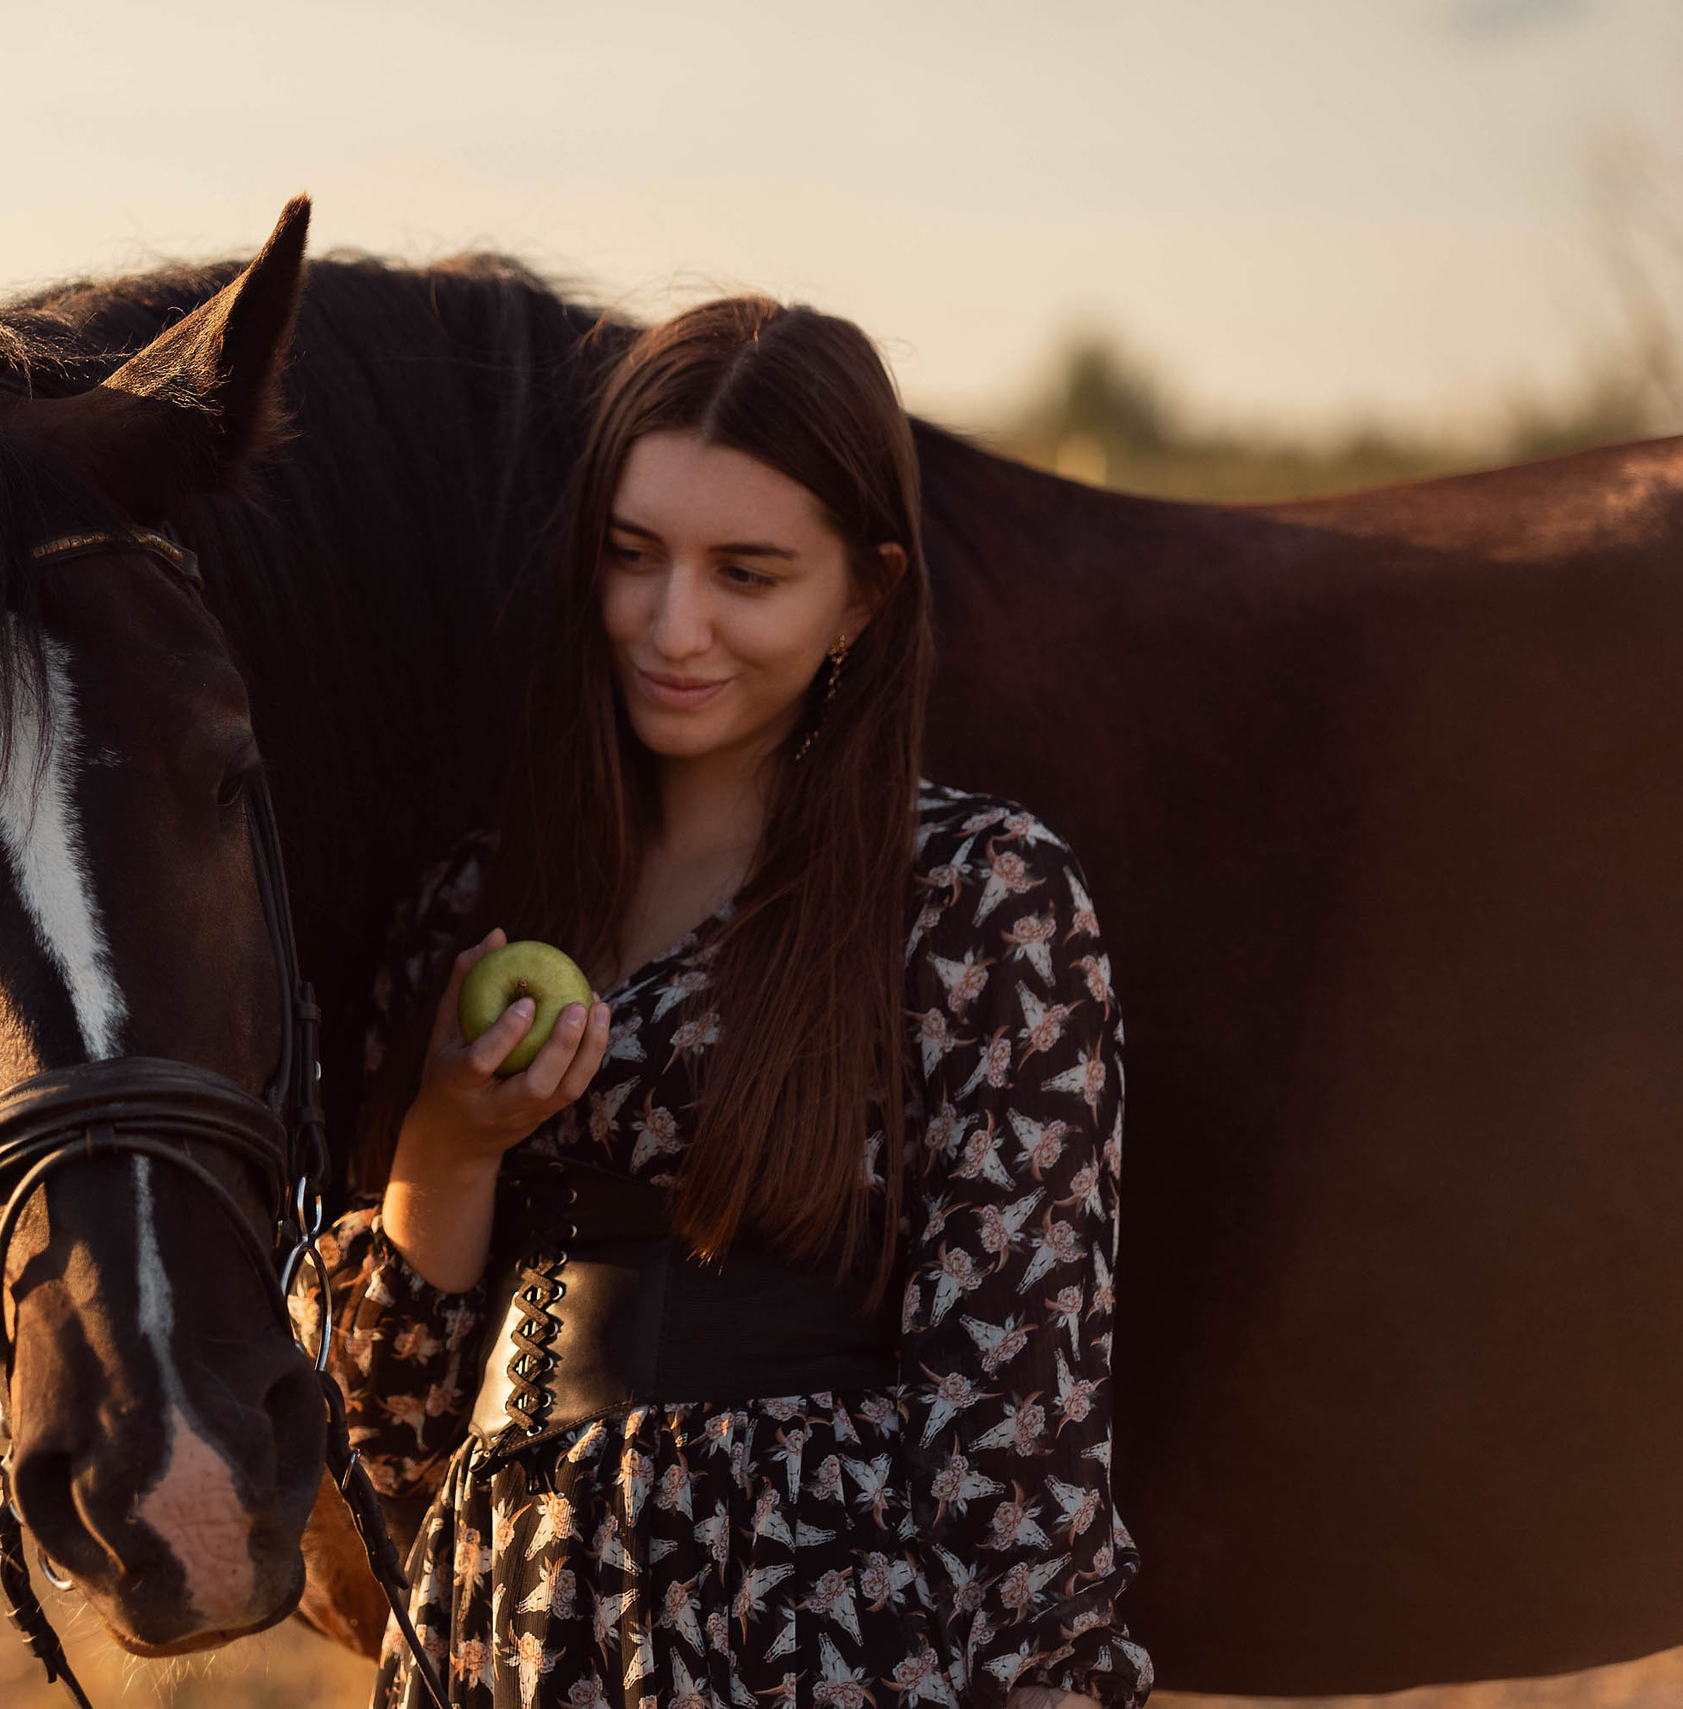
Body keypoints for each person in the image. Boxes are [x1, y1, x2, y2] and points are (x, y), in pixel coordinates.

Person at [293, 297, 1150, 1709]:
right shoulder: (478, 905)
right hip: (511, 1636)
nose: (671, 626)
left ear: (861, 599)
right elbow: (387, 1452)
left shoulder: (981, 904)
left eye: (747, 574)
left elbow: (1017, 1448)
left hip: (823, 1646)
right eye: (633, 559)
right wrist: (444, 1144)